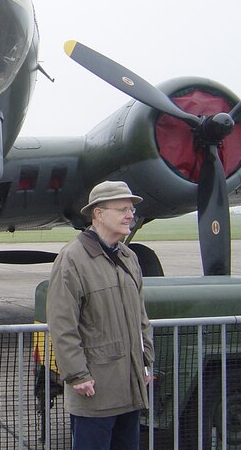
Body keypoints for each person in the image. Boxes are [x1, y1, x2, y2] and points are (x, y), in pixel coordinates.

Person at [46, 180, 155, 450]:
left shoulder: (129, 257)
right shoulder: (72, 259)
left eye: (131, 209)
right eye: (122, 209)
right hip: (95, 392)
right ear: (98, 214)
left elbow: (141, 318)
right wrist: (78, 375)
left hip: (130, 388)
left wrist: (146, 363)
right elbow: (62, 324)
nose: (130, 215)